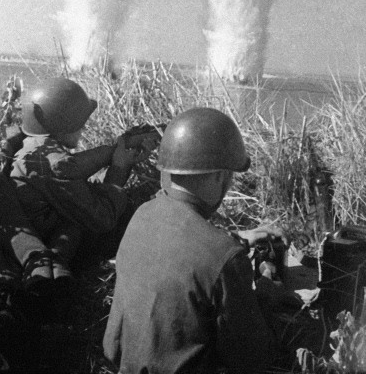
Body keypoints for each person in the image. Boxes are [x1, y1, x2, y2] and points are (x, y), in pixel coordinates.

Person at [103, 106, 286, 374]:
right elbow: (251, 358)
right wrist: (269, 291)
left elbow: (179, 249)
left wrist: (236, 239)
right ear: (221, 176)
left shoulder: (143, 214)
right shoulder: (223, 256)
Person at [7, 77, 155, 301]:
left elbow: (70, 167)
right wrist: (119, 168)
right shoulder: (54, 164)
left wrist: (115, 150)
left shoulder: (32, 146)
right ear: (62, 124)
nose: (84, 127)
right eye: (79, 122)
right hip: (46, 243)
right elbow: (103, 219)